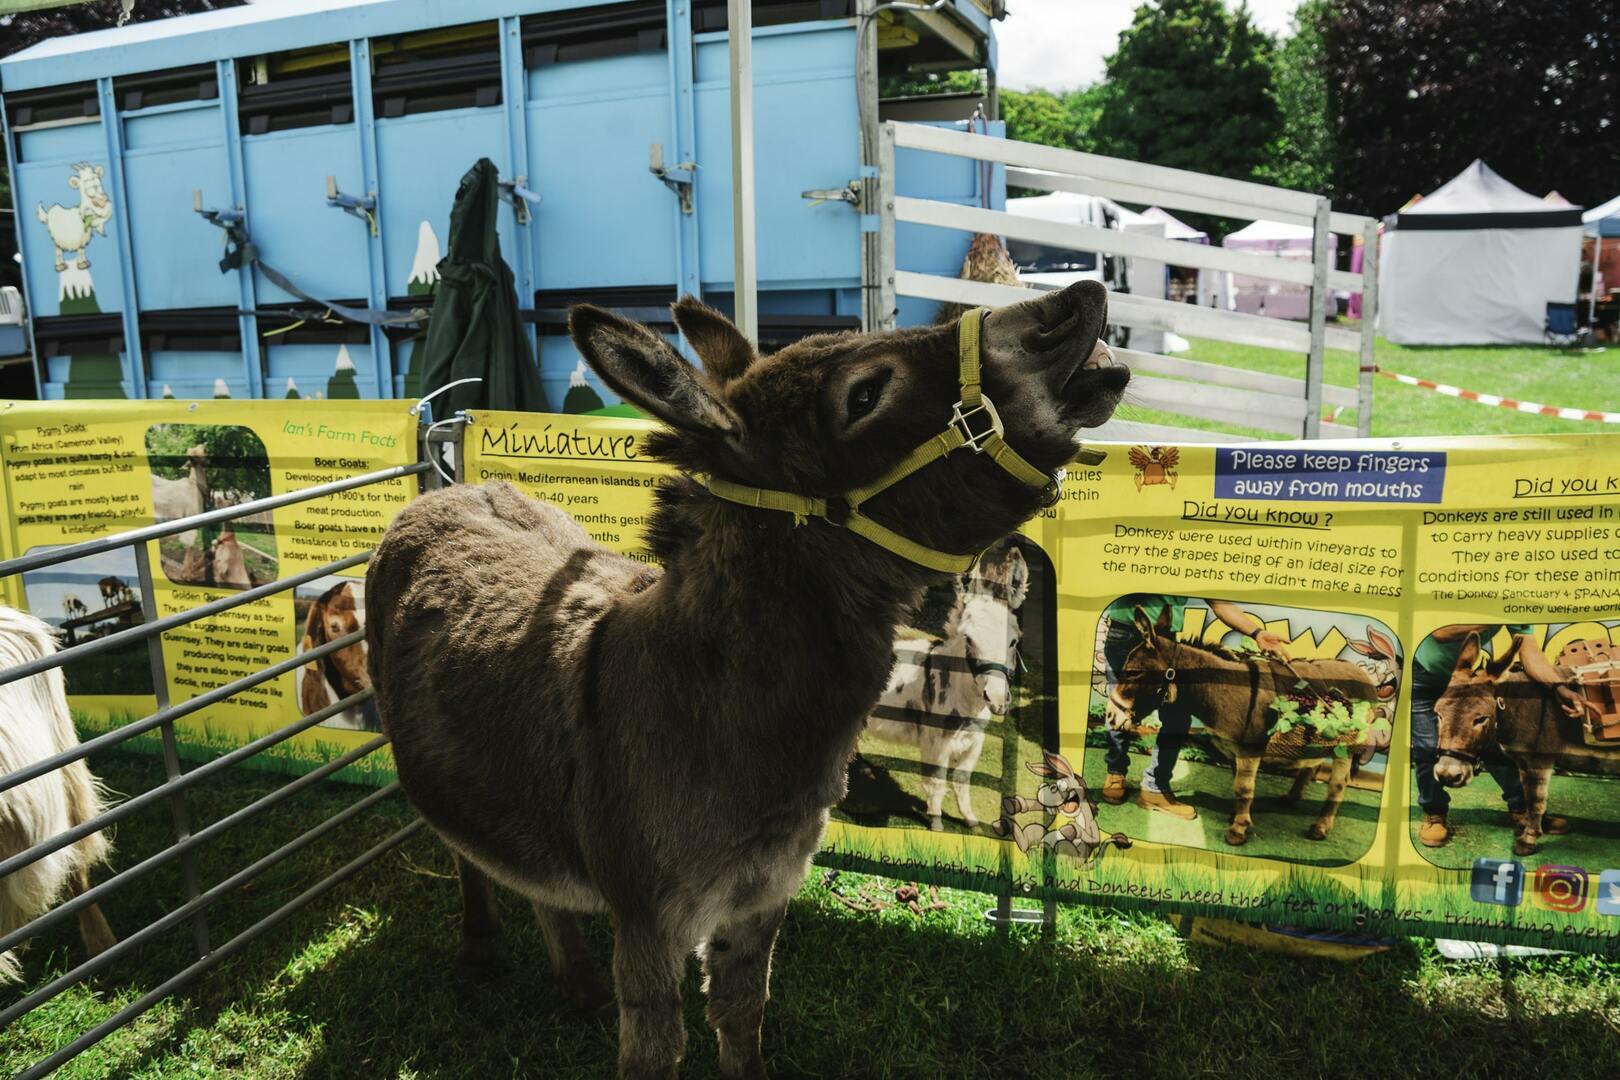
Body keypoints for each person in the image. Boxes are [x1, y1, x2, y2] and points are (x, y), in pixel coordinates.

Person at [1101, 595, 1290, 820]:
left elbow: (1219, 602)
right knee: (1121, 701)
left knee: (1177, 717)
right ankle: (1115, 773)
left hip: (1165, 638)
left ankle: (1154, 787)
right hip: (1125, 634)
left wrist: (1257, 633)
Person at [1410, 624, 1585, 848]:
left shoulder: (1511, 601)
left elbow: (1530, 653)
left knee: (1494, 742)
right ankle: (1435, 813)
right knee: (1427, 747)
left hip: (1466, 676)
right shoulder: (1491, 605)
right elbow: (1440, 632)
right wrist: (1498, 614)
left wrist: (1558, 688)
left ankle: (1524, 810)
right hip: (1427, 675)